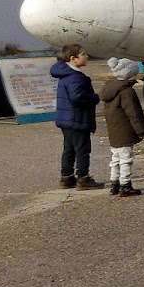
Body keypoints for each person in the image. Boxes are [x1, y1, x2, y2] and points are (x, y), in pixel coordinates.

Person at [51, 44, 104, 190]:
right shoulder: (76, 77)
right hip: (77, 118)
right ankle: (83, 178)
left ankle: (66, 177)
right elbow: (77, 96)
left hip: (66, 118)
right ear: (73, 59)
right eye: (83, 54)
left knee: (69, 148)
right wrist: (94, 98)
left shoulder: (64, 73)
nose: (87, 57)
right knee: (82, 149)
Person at [101, 58, 144, 197]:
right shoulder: (126, 92)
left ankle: (114, 184)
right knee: (126, 158)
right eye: (134, 73)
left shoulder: (109, 89)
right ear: (129, 74)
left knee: (115, 157)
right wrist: (141, 131)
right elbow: (133, 113)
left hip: (113, 130)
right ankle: (125, 185)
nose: (136, 75)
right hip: (125, 130)